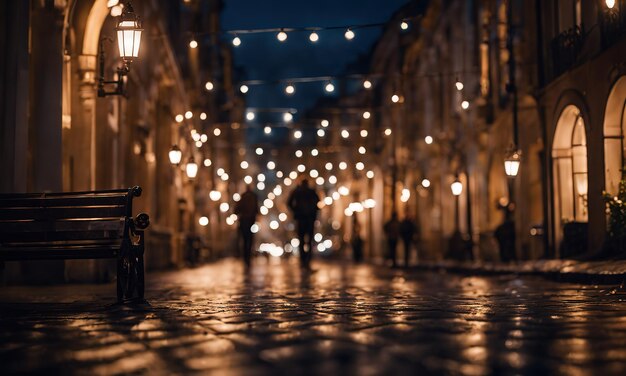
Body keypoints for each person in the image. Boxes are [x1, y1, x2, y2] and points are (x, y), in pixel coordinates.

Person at [287, 179, 320, 269]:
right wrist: (313, 211)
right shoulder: (311, 192)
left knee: (301, 240)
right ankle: (307, 259)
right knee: (309, 240)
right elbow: (318, 203)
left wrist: (296, 211)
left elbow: (289, 203)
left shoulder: (297, 191)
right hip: (309, 218)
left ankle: (303, 259)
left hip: (301, 218)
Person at [233, 185, 259, 268]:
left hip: (243, 222)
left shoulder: (242, 197)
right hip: (251, 221)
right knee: (250, 240)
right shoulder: (254, 197)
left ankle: (245, 257)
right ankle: (248, 257)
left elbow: (236, 210)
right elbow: (257, 209)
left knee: (244, 240)